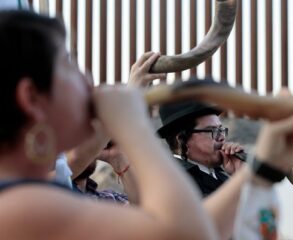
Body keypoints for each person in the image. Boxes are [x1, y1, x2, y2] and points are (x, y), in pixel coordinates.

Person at [0, 10, 218, 240]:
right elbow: (189, 234)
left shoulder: (29, 192)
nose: (88, 81)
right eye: (68, 65)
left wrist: (258, 168)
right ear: (31, 97)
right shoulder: (25, 208)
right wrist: (133, 127)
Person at [157, 99, 245, 197]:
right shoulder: (174, 181)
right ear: (181, 139)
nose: (221, 137)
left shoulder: (219, 175)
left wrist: (241, 175)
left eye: (221, 129)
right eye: (212, 130)